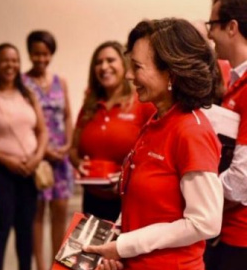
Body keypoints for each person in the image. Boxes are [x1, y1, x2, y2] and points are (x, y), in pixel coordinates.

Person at [84, 18, 224, 270]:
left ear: (170, 73)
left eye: (137, 67)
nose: (128, 75)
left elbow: (206, 222)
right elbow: (138, 204)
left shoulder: (191, 131)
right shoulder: (155, 121)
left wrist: (124, 245)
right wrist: (115, 244)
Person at [0, 43, 48, 270]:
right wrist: (8, 161)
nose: (10, 65)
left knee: (26, 228)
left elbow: (42, 131)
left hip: (29, 170)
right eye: (4, 60)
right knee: (2, 227)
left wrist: (37, 157)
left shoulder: (28, 95)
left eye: (14, 60)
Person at [69, 41, 154, 223]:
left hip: (128, 202)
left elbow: (154, 153)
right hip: (91, 200)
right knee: (89, 251)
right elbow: (73, 150)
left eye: (110, 60)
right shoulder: (89, 107)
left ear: (124, 65)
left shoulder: (142, 104)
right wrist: (78, 164)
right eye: (98, 62)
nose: (104, 67)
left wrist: (128, 177)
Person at [22, 30, 73, 270]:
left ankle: (58, 263)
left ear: (51, 54)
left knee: (60, 212)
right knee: (37, 213)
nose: (41, 58)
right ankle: (41, 265)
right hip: (38, 154)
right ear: (30, 53)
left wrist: (67, 145)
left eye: (45, 54)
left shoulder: (59, 81)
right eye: (36, 53)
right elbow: (24, 121)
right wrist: (42, 150)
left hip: (60, 158)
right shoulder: (22, 83)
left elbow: (68, 115)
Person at [205, 1, 247, 269]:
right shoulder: (232, 82)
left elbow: (242, 179)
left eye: (212, 25)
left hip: (240, 236)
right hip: (225, 227)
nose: (209, 35)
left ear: (231, 27)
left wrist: (195, 193)